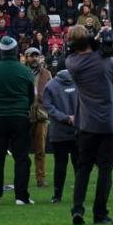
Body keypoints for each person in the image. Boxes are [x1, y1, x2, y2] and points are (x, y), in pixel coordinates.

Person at [65, 24, 113, 225]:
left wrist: (95, 40)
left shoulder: (71, 63)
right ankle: (100, 213)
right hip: (108, 122)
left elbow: (80, 48)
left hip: (85, 123)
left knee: (83, 168)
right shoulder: (107, 61)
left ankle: (77, 208)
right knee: (105, 170)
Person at [0, 35, 36, 205]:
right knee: (21, 158)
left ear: (1, 51)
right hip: (20, 117)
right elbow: (30, 97)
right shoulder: (25, 71)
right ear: (15, 51)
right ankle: (21, 196)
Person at [42, 68, 79, 204]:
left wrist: (64, 118)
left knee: (60, 164)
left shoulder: (50, 85)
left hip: (58, 130)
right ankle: (79, 194)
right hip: (78, 129)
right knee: (79, 164)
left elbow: (47, 105)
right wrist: (77, 117)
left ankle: (57, 195)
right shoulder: (79, 81)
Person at [26, 47, 53, 188]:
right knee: (22, 151)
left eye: (36, 56)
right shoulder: (22, 72)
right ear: (26, 58)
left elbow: (52, 93)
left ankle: (40, 178)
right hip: (24, 115)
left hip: (41, 115)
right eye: (31, 56)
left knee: (40, 150)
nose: (34, 58)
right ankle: (22, 177)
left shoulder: (47, 74)